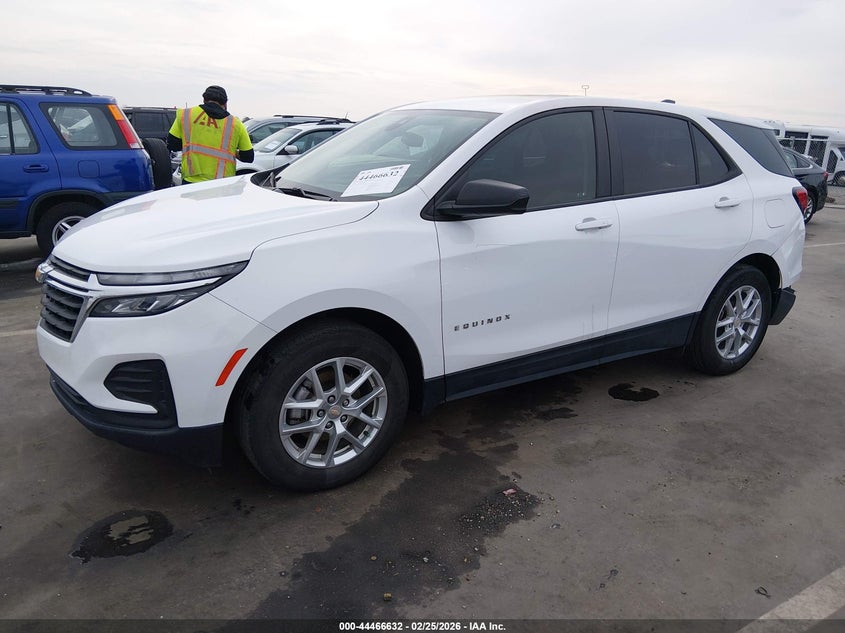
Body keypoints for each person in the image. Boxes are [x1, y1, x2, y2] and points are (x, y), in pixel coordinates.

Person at [167, 85, 253, 184]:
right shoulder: (235, 123)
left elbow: (172, 144)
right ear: (225, 103)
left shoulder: (186, 115)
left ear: (204, 100)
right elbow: (248, 157)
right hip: (222, 184)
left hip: (191, 181)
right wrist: (232, 151)